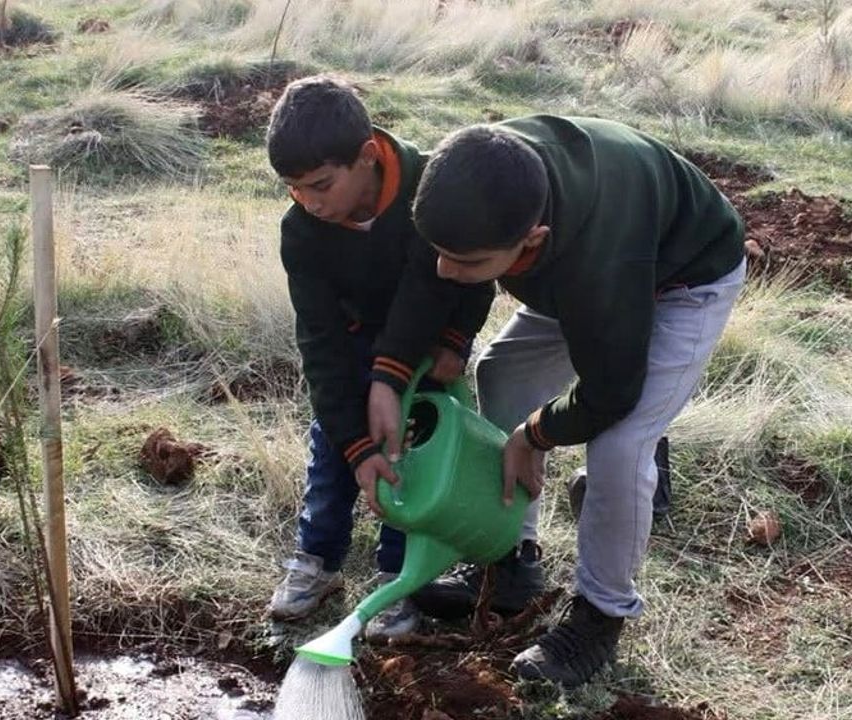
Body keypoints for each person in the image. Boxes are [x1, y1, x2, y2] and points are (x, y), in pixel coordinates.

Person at [367, 115, 745, 684]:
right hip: (583, 268)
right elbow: (431, 272)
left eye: (468, 263)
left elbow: (612, 390)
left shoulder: (601, 262)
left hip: (682, 279)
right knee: (503, 373)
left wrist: (535, 434)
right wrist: (388, 379)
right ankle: (510, 560)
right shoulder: (470, 180)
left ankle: (600, 616)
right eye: (441, 250)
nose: (448, 269)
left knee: (620, 444)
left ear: (532, 240)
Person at [264, 76, 492, 639]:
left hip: (426, 349)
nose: (310, 202)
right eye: (294, 189)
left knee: (411, 455)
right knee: (335, 448)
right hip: (353, 344)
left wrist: (456, 341)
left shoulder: (431, 189)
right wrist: (355, 441)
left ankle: (398, 578)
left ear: (367, 156)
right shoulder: (301, 233)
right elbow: (318, 341)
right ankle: (317, 559)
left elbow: (474, 274)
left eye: (320, 184)